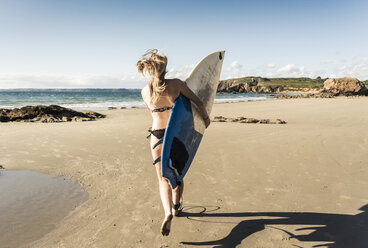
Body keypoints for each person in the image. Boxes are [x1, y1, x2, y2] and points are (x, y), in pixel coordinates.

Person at [137, 49, 210, 236]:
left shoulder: (145, 91)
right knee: (177, 175)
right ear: (165, 68)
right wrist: (205, 119)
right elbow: (197, 102)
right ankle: (177, 207)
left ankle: (167, 212)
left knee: (162, 179)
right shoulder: (177, 84)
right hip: (176, 136)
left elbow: (152, 113)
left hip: (156, 137)